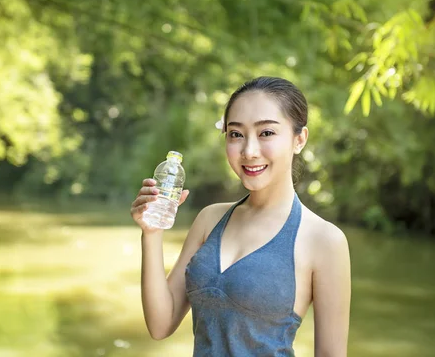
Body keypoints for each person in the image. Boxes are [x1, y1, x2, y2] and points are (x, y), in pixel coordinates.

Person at [130, 76, 351, 356]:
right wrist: (151, 233)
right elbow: (161, 324)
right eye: (236, 134)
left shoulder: (324, 240)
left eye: (266, 133)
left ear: (299, 139)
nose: (249, 151)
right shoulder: (210, 219)